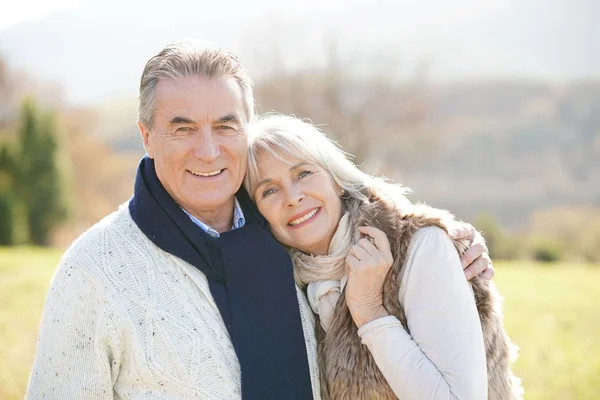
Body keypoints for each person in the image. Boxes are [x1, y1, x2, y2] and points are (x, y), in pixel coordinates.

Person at [26, 40, 493, 399]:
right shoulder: (94, 271)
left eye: (225, 126)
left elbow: (355, 206)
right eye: (182, 128)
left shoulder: (289, 241)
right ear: (146, 136)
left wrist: (437, 237)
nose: (208, 151)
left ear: (247, 129)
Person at [244, 114, 523, 399]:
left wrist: (370, 313)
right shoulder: (283, 288)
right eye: (269, 191)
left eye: (303, 173)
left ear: (336, 180)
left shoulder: (420, 246)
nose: (292, 197)